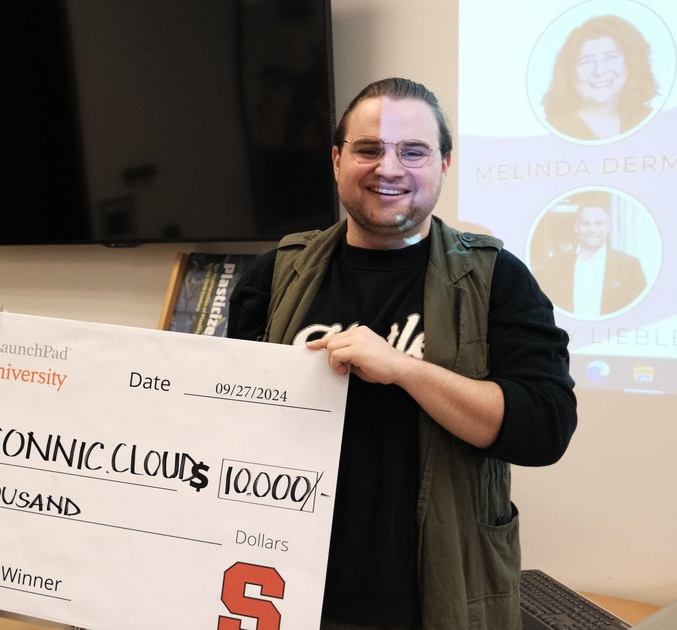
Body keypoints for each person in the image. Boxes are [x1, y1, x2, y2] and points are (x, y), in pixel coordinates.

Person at [228, 78, 577, 629]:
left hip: (433, 594)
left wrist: (404, 371)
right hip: (281, 586)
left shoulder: (496, 279)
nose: (388, 169)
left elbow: (545, 427)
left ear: (444, 164)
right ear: (338, 160)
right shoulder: (275, 274)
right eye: (368, 149)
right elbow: (222, 419)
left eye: (412, 151)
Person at [542, 14, 659, 141]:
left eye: (610, 57)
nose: (599, 71)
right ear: (569, 73)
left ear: (631, 63)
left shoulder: (652, 121)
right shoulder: (552, 130)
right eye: (587, 61)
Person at [539, 195, 647, 317]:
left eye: (598, 223)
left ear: (609, 227)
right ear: (576, 227)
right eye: (585, 223)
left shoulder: (630, 265)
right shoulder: (555, 265)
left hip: (614, 334)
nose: (592, 229)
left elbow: (643, 310)